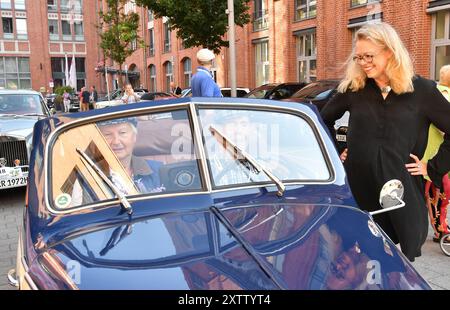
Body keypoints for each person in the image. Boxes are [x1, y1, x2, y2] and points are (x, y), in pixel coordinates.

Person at [320, 22, 450, 262]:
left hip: (400, 193)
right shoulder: (354, 89)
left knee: (397, 265)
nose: (363, 62)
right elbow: (321, 119)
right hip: (358, 190)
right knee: (358, 259)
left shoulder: (422, 90)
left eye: (369, 56)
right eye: (358, 57)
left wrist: (431, 167)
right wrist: (337, 150)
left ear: (390, 51)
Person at [97, 117, 164, 194]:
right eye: (107, 134)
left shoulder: (158, 170)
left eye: (122, 133)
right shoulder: (91, 174)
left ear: (134, 136)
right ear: (99, 140)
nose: (116, 141)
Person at [423, 65, 450, 242]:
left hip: (432, 153)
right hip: (438, 156)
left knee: (438, 194)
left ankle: (441, 227)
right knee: (440, 194)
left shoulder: (433, 93)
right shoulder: (445, 96)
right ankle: (441, 230)